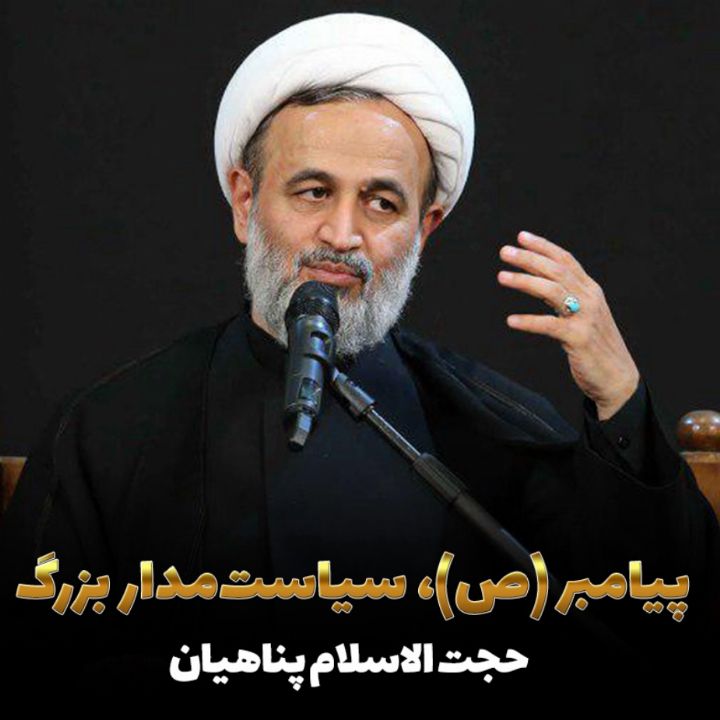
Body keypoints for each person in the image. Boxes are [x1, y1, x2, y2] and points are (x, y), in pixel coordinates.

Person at [1, 12, 718, 700]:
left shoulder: (488, 428)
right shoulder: (111, 432)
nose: (342, 234)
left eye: (381, 204)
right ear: (245, 202)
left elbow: (659, 622)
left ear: (424, 229)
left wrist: (619, 396)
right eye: (314, 191)